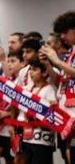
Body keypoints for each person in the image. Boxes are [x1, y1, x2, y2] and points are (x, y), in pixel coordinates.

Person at [41, 11, 75, 164]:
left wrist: (57, 60)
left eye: (64, 32)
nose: (62, 37)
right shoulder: (70, 53)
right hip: (67, 115)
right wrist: (48, 64)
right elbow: (60, 82)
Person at [20, 59, 56, 164]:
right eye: (30, 69)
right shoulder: (27, 89)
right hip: (28, 138)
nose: (31, 72)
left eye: (34, 69)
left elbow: (51, 112)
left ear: (44, 73)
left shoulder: (49, 89)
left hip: (43, 141)